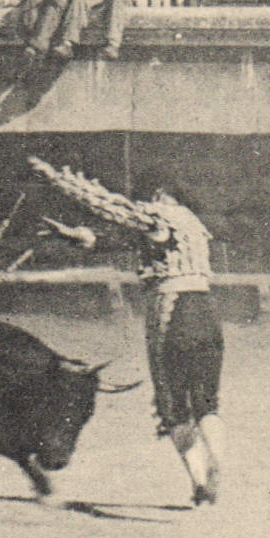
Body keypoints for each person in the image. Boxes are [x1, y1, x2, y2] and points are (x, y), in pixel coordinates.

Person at [29, 156, 226, 505]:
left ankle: (199, 481)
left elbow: (112, 208)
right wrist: (78, 236)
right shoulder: (191, 225)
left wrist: (57, 179)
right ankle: (218, 462)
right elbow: (121, 239)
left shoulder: (161, 214)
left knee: (174, 407)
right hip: (207, 314)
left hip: (172, 313)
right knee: (208, 404)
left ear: (159, 192)